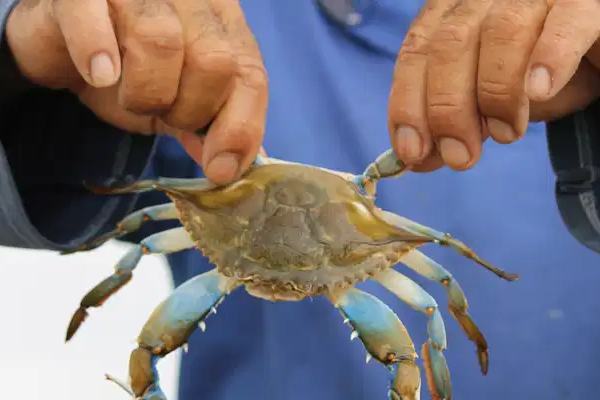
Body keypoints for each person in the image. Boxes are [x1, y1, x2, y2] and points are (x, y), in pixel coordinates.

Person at [1, 0, 599, 399]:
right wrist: (15, 62)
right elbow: (125, 204)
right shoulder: (198, 29)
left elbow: (446, 293)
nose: (284, 284)